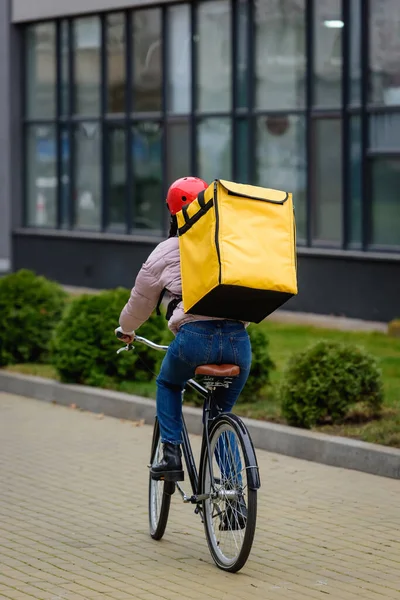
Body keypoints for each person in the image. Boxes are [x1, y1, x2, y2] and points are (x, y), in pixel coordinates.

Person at [116, 176, 252, 483]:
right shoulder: (228, 243)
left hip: (193, 339)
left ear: (171, 211)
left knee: (168, 383)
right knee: (219, 413)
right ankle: (234, 491)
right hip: (238, 342)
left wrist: (126, 329)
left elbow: (141, 302)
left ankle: (172, 455)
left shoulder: (168, 249)